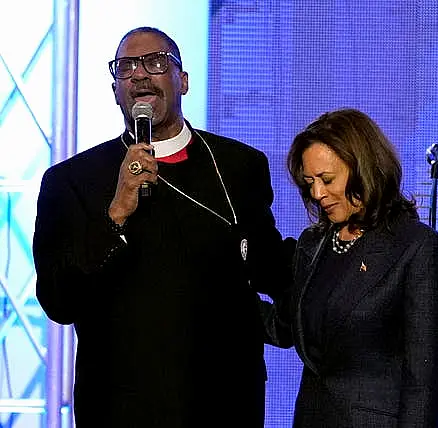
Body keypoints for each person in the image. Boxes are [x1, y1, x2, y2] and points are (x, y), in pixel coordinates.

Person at [33, 27, 291, 427]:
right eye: (125, 68)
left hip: (224, 405)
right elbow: (58, 300)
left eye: (156, 62)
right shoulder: (72, 181)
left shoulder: (241, 166)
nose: (139, 75)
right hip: (121, 409)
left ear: (182, 81)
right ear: (116, 89)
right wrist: (116, 211)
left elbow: (268, 267)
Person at [263, 108, 438, 427]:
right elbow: (284, 326)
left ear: (363, 168)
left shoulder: (418, 248)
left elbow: (424, 384)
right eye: (309, 182)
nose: (317, 194)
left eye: (326, 180)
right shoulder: (314, 243)